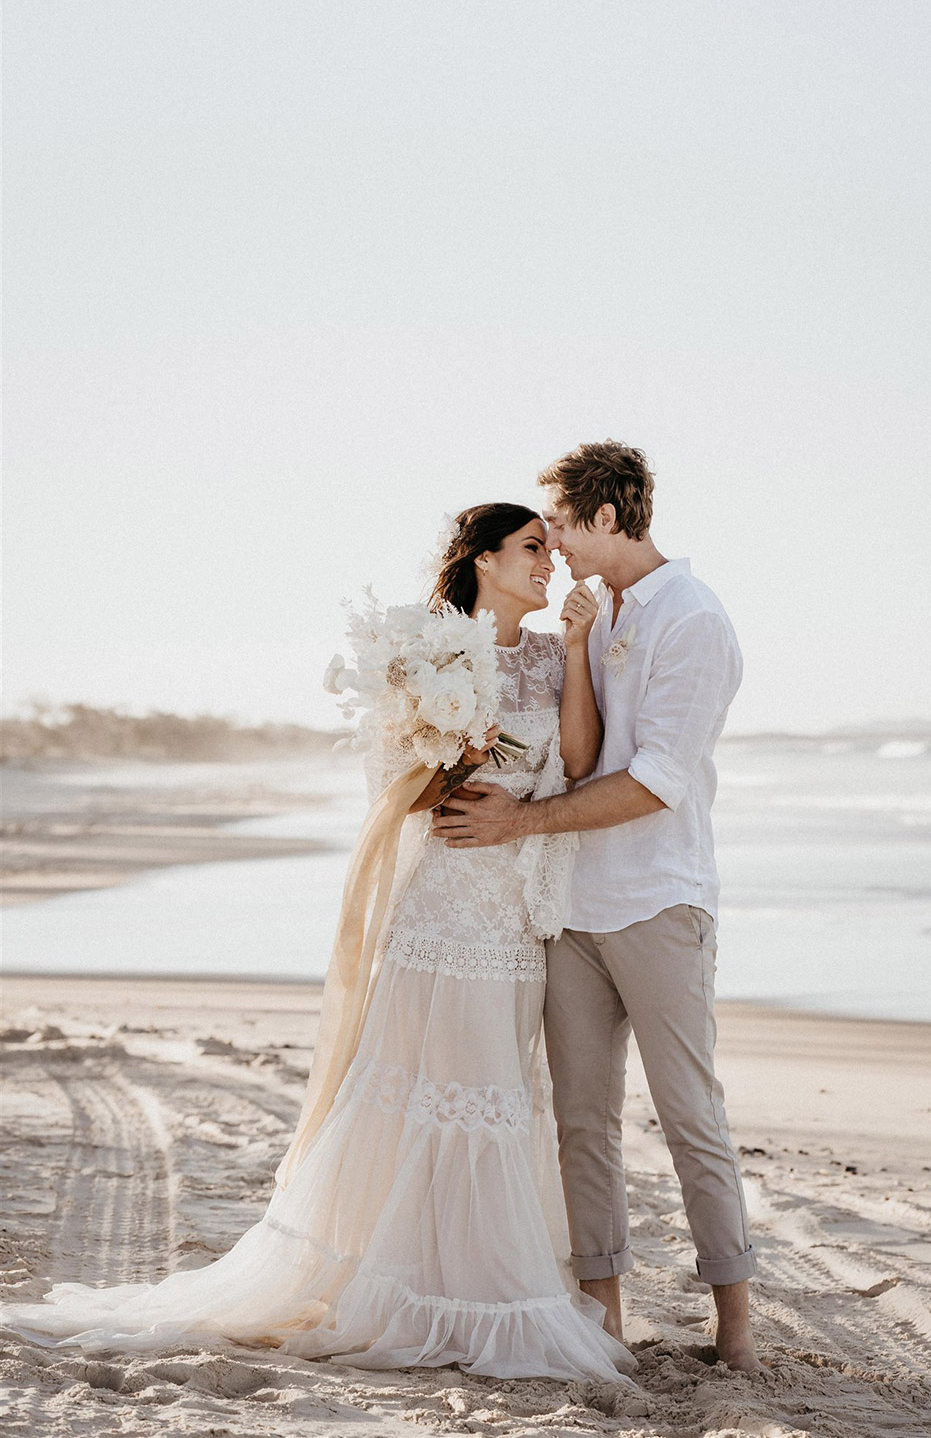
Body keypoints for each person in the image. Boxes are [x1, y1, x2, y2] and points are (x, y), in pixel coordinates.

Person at [2, 502, 635, 1384]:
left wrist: (572, 651)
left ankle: (474, 1279)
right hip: (438, 906)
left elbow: (578, 758)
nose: (550, 565)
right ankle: (403, 1283)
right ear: (484, 561)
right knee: (416, 1092)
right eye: (533, 549)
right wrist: (451, 752)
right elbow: (396, 788)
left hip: (511, 915)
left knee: (492, 1094)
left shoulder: (546, 654)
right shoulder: (426, 647)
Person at [433, 446, 762, 1374]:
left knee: (690, 1112)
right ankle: (603, 1313)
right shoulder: (600, 610)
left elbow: (657, 779)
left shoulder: (694, 620)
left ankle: (734, 1321)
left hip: (659, 900)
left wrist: (520, 824)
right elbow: (577, 753)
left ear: (607, 518)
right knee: (582, 1118)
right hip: (571, 906)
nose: (559, 548)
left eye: (565, 528)